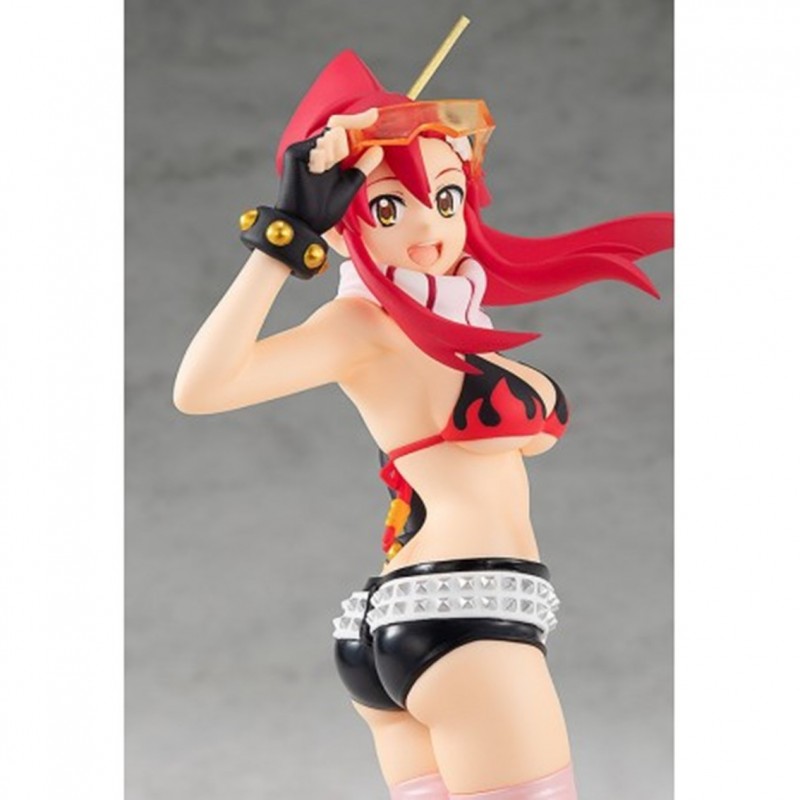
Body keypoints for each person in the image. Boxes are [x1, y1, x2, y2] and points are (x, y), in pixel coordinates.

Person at [174, 49, 673, 800]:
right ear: (340, 224)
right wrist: (285, 235)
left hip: (416, 619)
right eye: (387, 207)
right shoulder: (361, 324)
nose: (428, 227)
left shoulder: (448, 322)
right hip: (467, 616)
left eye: (445, 197)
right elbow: (201, 388)